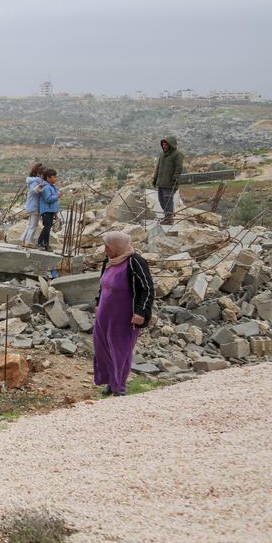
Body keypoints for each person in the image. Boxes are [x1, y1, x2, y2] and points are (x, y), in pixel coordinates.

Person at [93, 231, 154, 396]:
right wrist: (98, 302)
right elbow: (103, 285)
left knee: (120, 349)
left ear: (118, 246)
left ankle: (119, 387)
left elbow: (147, 288)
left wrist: (142, 312)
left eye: (108, 246)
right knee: (102, 347)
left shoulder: (135, 262)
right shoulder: (110, 261)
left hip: (124, 316)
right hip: (104, 314)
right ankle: (111, 381)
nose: (105, 249)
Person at [152, 135, 184, 224]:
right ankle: (169, 214)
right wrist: (155, 180)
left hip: (170, 183)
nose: (164, 146)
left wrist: (175, 179)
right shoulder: (162, 155)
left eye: (166, 144)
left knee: (168, 199)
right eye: (163, 144)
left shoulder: (177, 154)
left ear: (171, 145)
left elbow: (179, 168)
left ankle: (169, 218)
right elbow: (158, 168)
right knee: (161, 200)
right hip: (161, 182)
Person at [21, 163, 44, 247]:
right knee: (33, 225)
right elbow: (35, 190)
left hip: (31, 205)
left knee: (30, 224)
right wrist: (40, 187)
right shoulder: (37, 181)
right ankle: (29, 241)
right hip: (35, 206)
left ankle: (24, 239)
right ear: (39, 173)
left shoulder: (32, 180)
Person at [36, 168, 59, 251]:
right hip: (46, 210)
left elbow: (54, 203)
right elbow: (48, 199)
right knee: (47, 227)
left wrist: (55, 213)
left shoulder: (53, 187)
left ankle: (46, 244)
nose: (56, 178)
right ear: (48, 178)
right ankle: (41, 243)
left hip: (50, 211)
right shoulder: (46, 188)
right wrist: (58, 196)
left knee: (48, 227)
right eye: (54, 177)